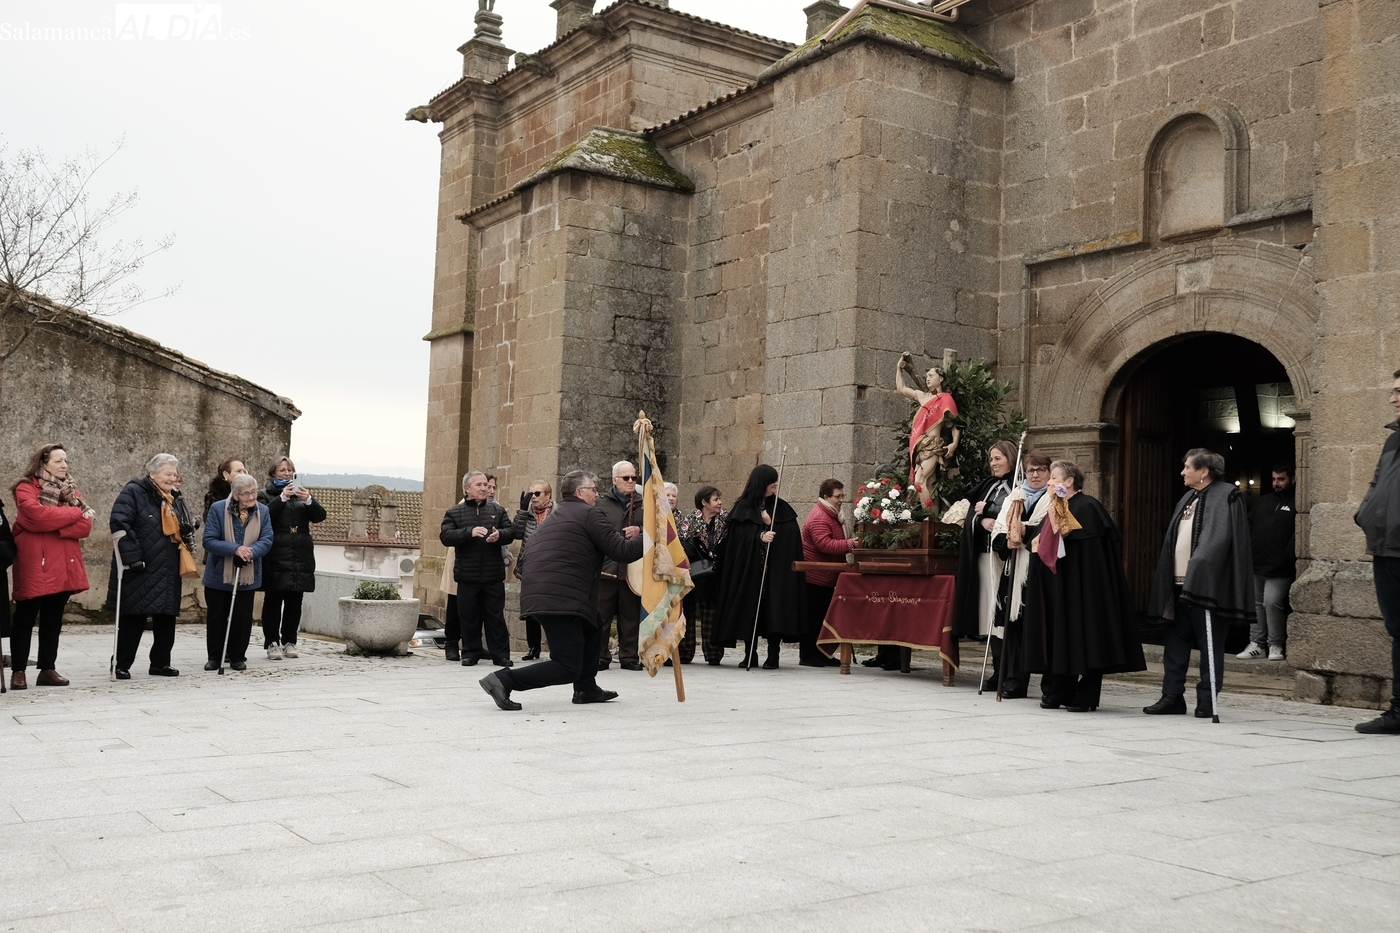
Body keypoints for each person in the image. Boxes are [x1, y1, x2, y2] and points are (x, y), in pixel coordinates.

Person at [479, 470, 643, 711]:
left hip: (546, 592)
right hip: (560, 598)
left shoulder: (557, 516)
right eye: (593, 490)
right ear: (579, 492)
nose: (597, 495)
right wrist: (652, 537)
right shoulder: (589, 514)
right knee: (567, 666)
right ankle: (503, 680)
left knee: (593, 624)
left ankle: (586, 688)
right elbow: (621, 551)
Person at [1020, 460, 1145, 711]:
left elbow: (1092, 557)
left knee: (1088, 635)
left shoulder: (1087, 506)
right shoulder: (1055, 507)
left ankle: (1086, 695)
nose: (1049, 482)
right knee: (1061, 636)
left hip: (1085, 588)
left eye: (1054, 478)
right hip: (1060, 587)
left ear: (1069, 481)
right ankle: (1059, 691)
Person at [1143, 448, 1254, 718]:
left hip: (1208, 586)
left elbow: (1219, 538)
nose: (1182, 472)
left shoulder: (1227, 494)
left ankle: (1207, 699)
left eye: (1187, 467)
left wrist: (1198, 567)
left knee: (1210, 643)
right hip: (1178, 584)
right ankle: (1172, 696)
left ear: (1203, 471)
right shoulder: (1187, 497)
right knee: (1175, 642)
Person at [9, 444, 94, 689]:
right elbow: (34, 516)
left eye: (65, 460)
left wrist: (54, 523)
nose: (64, 465)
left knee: (53, 619)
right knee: (25, 618)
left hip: (63, 562)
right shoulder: (26, 487)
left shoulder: (70, 489)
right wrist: (74, 514)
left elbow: (86, 525)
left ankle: (47, 669)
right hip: (35, 561)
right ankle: (18, 670)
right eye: (58, 461)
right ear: (42, 463)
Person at [716, 464, 806, 669]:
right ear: (761, 482)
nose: (775, 484)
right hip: (751, 571)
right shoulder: (743, 507)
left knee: (774, 610)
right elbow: (736, 539)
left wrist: (770, 522)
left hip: (775, 572)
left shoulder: (781, 508)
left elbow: (790, 539)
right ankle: (750, 653)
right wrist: (759, 535)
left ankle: (773, 654)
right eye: (771, 481)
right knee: (749, 609)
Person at [110, 453, 191, 679]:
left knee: (166, 616)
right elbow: (119, 522)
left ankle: (160, 663)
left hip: (168, 564)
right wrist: (131, 557)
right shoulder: (134, 491)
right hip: (142, 564)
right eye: (168, 474)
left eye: (175, 474)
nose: (173, 478)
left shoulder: (173, 497)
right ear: (153, 474)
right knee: (134, 615)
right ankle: (121, 663)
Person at [952, 440, 1019, 686]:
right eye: (991, 459)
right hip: (984, 557)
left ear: (1011, 458)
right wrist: (980, 522)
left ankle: (1008, 671)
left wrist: (990, 511)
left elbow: (1014, 513)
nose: (993, 464)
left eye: (998, 458)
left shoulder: (1019, 486)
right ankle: (996, 668)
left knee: (1003, 614)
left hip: (1005, 560)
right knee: (990, 616)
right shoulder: (989, 485)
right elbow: (973, 514)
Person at [1355, 370, 1400, 734]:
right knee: (1398, 630)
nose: (1392, 398)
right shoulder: (1392, 441)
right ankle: (1399, 711)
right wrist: (1364, 514)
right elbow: (1375, 483)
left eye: (1399, 391)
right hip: (1385, 550)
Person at [989, 453, 1054, 698]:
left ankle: (1050, 684)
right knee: (1014, 625)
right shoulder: (1013, 498)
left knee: (1041, 627)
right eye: (1030, 470)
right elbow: (998, 531)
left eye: (1040, 470)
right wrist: (1007, 541)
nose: (1035, 475)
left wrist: (1024, 532)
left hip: (1040, 573)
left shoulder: (1054, 498)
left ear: (1049, 472)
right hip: (1013, 572)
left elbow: (1051, 530)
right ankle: (1015, 681)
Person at [440, 470, 515, 667]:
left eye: (486, 485)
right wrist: (468, 532)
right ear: (467, 488)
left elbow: (511, 532)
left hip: (493, 575)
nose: (484, 489)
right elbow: (446, 536)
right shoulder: (455, 512)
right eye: (479, 485)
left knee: (495, 618)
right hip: (467, 575)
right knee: (469, 617)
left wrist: (500, 535)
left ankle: (501, 655)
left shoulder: (498, 511)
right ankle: (470, 653)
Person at [202, 473, 273, 671]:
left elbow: (267, 539)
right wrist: (235, 549)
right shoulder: (218, 509)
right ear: (235, 495)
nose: (251, 497)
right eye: (246, 494)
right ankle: (215, 657)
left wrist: (251, 551)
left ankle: (237, 656)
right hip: (218, 574)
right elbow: (209, 540)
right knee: (217, 617)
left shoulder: (263, 511)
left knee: (242, 619)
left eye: (253, 492)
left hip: (247, 575)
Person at [260, 457, 326, 660]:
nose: (287, 473)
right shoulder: (264, 495)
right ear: (273, 473)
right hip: (276, 553)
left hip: (299, 554)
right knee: (273, 600)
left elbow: (320, 516)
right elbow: (263, 516)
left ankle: (290, 641)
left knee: (295, 601)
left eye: (290, 470)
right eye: (282, 470)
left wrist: (309, 500)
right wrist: (281, 498)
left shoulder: (301, 494)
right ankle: (272, 642)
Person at [1239, 462, 1296, 661]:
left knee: (1271, 603)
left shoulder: (1297, 503)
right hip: (1257, 562)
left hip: (1280, 567)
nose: (1276, 483)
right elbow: (1248, 525)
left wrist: (1287, 555)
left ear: (1292, 479)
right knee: (1256, 604)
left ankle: (1275, 645)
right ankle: (1256, 644)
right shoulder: (1263, 501)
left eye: (1281, 479)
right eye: (1274, 479)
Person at [799, 478, 855, 667]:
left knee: (823, 619)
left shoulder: (832, 514)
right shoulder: (819, 517)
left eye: (842, 496)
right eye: (837, 497)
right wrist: (850, 544)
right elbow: (825, 544)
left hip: (827, 576)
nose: (841, 500)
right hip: (815, 577)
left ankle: (822, 654)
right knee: (813, 619)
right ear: (826, 496)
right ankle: (808, 655)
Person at [595, 460, 644, 671]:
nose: (631, 481)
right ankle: (599, 656)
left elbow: (656, 529)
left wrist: (640, 530)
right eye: (626, 478)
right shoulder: (601, 503)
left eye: (634, 477)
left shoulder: (644, 503)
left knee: (630, 617)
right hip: (606, 567)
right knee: (601, 616)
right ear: (615, 480)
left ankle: (629, 656)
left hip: (633, 568)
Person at [896, 352, 961, 508]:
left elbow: (956, 424)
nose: (928, 378)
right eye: (927, 376)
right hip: (920, 443)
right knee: (929, 482)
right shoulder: (922, 396)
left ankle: (927, 517)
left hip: (933, 444)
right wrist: (899, 368)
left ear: (941, 378)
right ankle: (932, 516)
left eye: (931, 375)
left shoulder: (945, 398)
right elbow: (902, 388)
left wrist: (954, 443)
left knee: (920, 481)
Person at [678, 486, 727, 665]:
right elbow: (681, 543)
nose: (720, 503)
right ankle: (685, 651)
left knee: (712, 611)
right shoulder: (691, 520)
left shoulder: (725, 519)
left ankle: (713, 653)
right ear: (704, 502)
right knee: (689, 610)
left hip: (716, 573)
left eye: (719, 499)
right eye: (715, 499)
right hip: (696, 572)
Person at [512, 479, 555, 661]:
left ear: (548, 495)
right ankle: (533, 647)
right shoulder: (527, 513)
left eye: (537, 494)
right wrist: (522, 511)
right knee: (530, 610)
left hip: (551, 568)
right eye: (531, 494)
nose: (533, 498)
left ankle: (555, 648)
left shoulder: (558, 513)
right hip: (529, 567)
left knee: (552, 611)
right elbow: (514, 533)